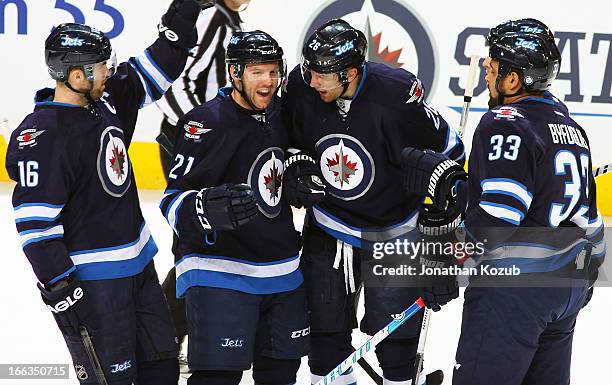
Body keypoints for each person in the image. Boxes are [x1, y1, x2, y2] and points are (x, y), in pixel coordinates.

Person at [5, 1, 205, 383]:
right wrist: (61, 286)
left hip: (141, 271)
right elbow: (35, 226)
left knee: (162, 370)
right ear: (76, 76)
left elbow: (157, 66)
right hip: (95, 286)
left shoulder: (106, 101)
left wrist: (187, 10)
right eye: (100, 67)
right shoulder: (44, 136)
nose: (109, 72)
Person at [400, 18, 605, 385]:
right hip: (567, 286)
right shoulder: (570, 126)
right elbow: (592, 221)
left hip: (514, 292)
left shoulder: (506, 121)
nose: (486, 71)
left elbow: (497, 219)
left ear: (513, 79)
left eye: (493, 67)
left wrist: (445, 263)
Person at [282, 19, 464, 385]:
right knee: (324, 327)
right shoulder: (302, 86)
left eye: (323, 75)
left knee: (397, 337)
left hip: (393, 230)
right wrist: (294, 163)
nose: (312, 81)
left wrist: (443, 201)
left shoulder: (396, 96)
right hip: (330, 224)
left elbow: (450, 152)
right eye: (310, 71)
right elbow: (286, 138)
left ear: (350, 73)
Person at [159, 30, 309, 385]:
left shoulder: (279, 114)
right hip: (219, 271)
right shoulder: (206, 122)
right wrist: (203, 210)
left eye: (273, 72)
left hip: (281, 269)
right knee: (217, 378)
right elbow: (171, 200)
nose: (268, 81)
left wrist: (299, 169)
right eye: (258, 72)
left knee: (281, 374)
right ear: (235, 73)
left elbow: (287, 156)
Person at [154, 0, 251, 361]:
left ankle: (173, 335)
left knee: (208, 238)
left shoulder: (227, 19)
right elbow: (174, 84)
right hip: (193, 143)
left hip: (208, 144)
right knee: (195, 240)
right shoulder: (211, 18)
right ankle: (162, 339)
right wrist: (202, 131)